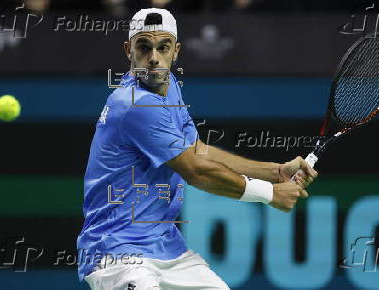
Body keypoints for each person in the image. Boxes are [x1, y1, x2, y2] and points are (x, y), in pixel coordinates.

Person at [77, 7, 318, 290]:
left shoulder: (170, 88)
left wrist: (274, 172)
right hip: (117, 252)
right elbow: (195, 171)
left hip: (165, 247)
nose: (153, 58)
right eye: (144, 47)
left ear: (176, 51)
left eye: (163, 47)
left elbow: (198, 151)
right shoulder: (134, 104)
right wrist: (271, 193)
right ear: (128, 50)